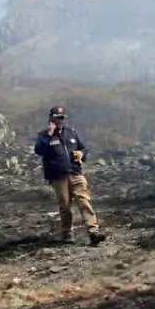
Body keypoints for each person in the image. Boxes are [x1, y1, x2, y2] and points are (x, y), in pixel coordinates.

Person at [34, 105, 107, 245]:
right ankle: (67, 234)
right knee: (65, 207)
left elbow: (83, 149)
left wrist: (82, 154)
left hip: (75, 172)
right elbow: (39, 150)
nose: (59, 120)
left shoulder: (71, 133)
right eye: (57, 118)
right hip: (58, 176)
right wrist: (49, 134)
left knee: (84, 200)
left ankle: (93, 232)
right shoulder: (43, 135)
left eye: (62, 118)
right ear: (51, 118)